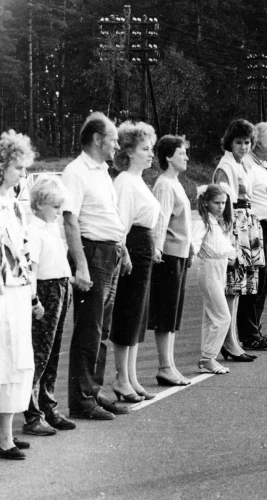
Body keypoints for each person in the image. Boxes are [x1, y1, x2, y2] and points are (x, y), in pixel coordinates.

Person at [63, 112, 131, 420]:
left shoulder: (102, 171)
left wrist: (123, 250)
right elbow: (70, 219)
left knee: (101, 329)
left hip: (111, 253)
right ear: (97, 139)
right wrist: (81, 266)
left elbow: (111, 216)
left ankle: (93, 391)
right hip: (92, 255)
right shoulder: (76, 171)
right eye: (113, 139)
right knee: (88, 330)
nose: (117, 145)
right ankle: (81, 400)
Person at [110, 121, 160, 404]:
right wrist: (126, 252)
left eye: (151, 148)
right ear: (128, 152)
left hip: (143, 249)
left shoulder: (138, 180)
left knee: (138, 314)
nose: (150, 154)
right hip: (132, 249)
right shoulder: (125, 181)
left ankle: (131, 376)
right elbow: (123, 223)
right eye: (145, 149)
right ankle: (120, 378)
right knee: (128, 312)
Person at [22, 175, 76, 437]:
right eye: (55, 207)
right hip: (45, 290)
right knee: (40, 354)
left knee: (53, 352)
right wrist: (34, 300)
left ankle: (48, 405)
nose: (58, 213)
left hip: (61, 286)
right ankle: (32, 414)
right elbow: (31, 270)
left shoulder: (49, 226)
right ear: (41, 203)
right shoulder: (33, 229)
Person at [0, 129, 41, 459]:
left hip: (16, 292)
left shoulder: (15, 204)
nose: (22, 176)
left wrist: (32, 296)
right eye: (17, 169)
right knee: (3, 361)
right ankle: (3, 439)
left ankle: (7, 434)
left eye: (25, 170)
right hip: (1, 294)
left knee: (17, 362)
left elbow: (23, 252)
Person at [214, 119, 263, 362]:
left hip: (247, 225)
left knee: (239, 288)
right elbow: (224, 204)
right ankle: (228, 341)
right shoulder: (226, 166)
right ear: (229, 143)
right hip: (235, 227)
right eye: (238, 142)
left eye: (247, 142)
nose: (243, 147)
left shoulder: (241, 164)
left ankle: (233, 339)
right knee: (232, 287)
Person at [150, 135, 193, 386]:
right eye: (181, 153)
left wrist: (191, 245)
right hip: (168, 255)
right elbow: (161, 219)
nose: (186, 157)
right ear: (168, 157)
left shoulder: (175, 182)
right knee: (166, 313)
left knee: (173, 313)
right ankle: (165, 366)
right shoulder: (165, 184)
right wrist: (157, 248)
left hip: (180, 254)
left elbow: (181, 220)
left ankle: (170, 364)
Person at [238, 122, 267, 351]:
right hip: (258, 230)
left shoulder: (263, 165)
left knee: (263, 284)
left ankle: (255, 330)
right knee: (255, 283)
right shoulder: (247, 164)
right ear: (257, 142)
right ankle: (249, 334)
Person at [193, 184, 235, 375]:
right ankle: (208, 357)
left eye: (224, 203)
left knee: (211, 315)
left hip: (220, 268)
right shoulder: (204, 223)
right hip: (208, 268)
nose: (221, 206)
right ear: (206, 202)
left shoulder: (217, 223)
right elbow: (195, 242)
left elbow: (223, 247)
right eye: (216, 203)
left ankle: (207, 357)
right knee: (222, 315)